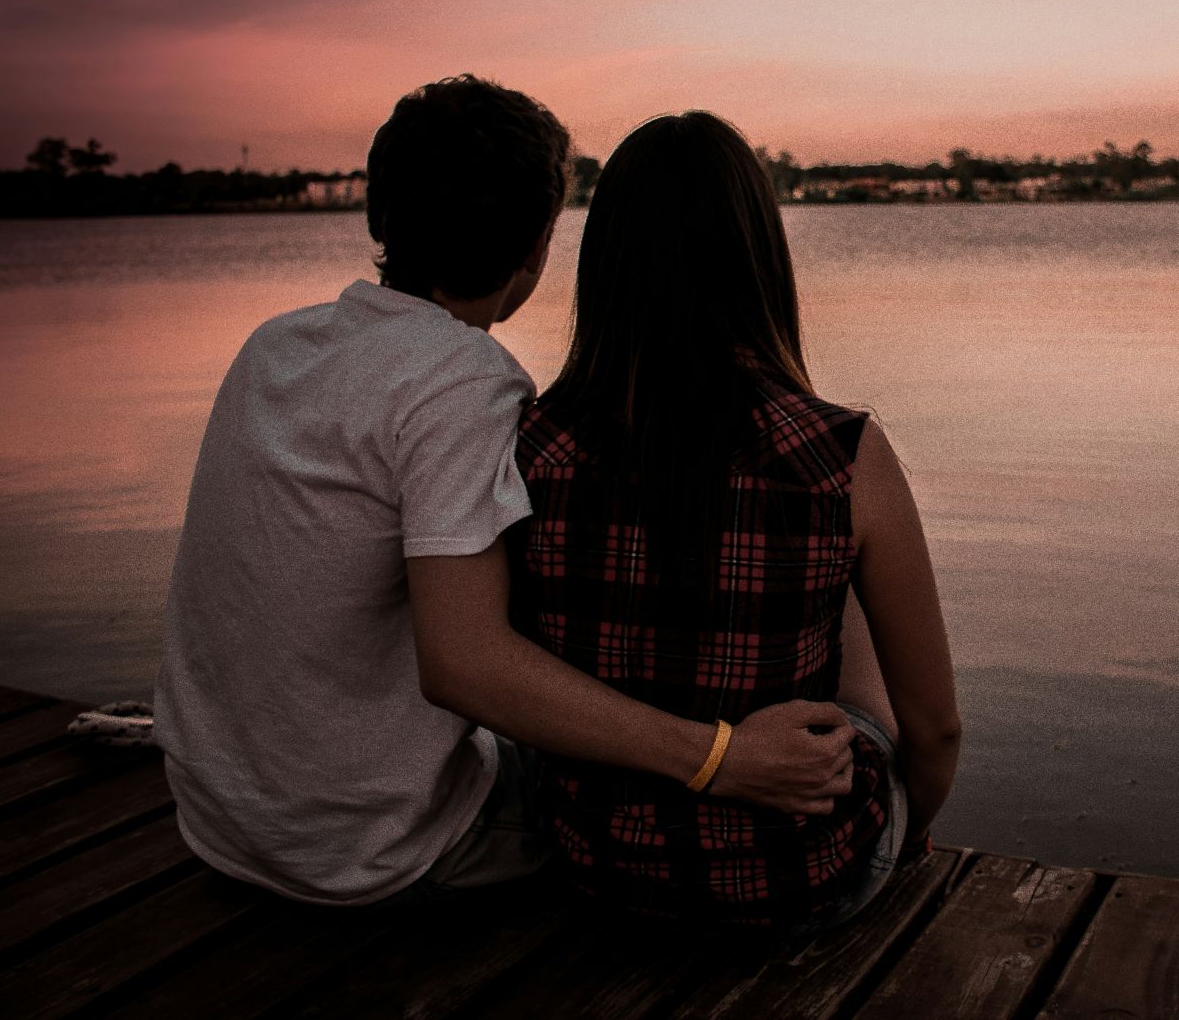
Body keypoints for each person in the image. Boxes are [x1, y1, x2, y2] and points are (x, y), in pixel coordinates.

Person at [153, 77, 858, 907]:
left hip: (219, 816)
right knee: (614, 797)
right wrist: (718, 758)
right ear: (537, 248)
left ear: (380, 217)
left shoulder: (273, 347)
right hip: (365, 847)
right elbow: (465, 667)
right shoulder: (464, 382)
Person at [509, 111, 962, 933]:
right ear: (759, 256)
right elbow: (935, 732)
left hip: (595, 869)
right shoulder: (842, 452)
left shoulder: (531, 446)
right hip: (796, 879)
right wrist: (905, 832)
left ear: (604, 263)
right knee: (845, 577)